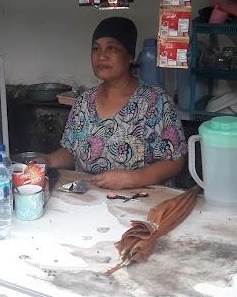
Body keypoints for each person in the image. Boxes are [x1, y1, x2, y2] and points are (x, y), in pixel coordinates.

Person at [44, 17, 186, 189]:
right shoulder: (83, 103)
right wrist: (48, 160)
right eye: (96, 49)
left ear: (130, 57)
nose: (101, 56)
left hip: (139, 203)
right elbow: (70, 151)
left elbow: (175, 161)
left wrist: (132, 178)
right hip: (89, 200)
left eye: (112, 48)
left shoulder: (155, 102)